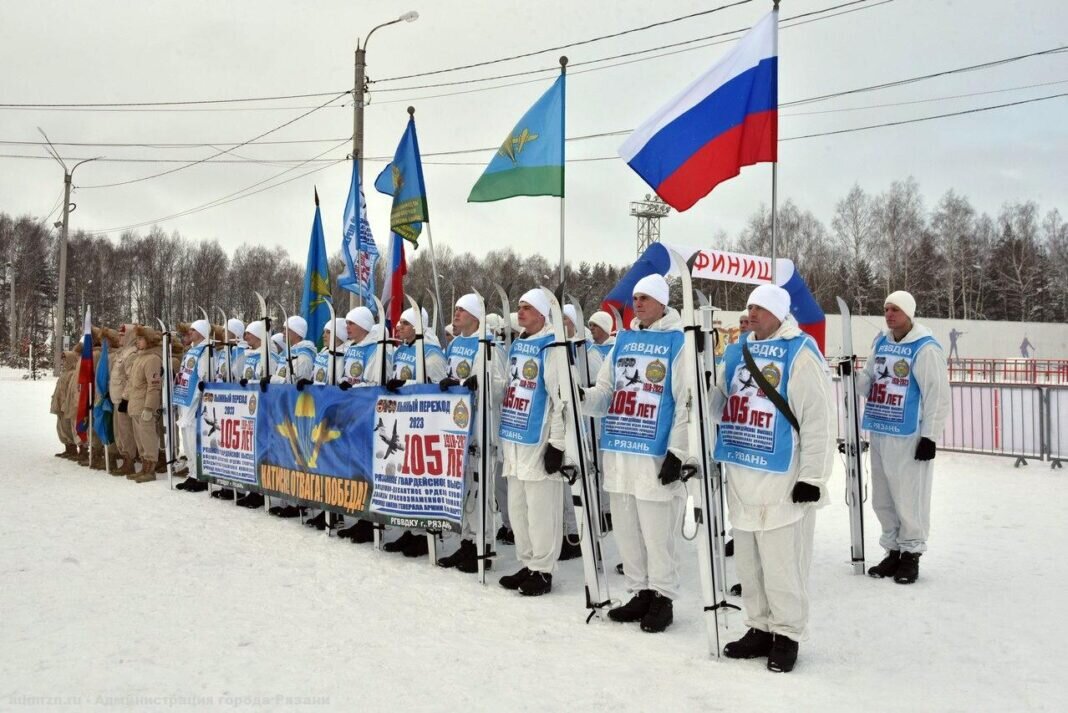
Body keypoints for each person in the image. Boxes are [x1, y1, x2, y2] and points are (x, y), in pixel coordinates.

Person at [713, 284, 834, 673]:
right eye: (750, 308)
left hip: (784, 476)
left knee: (783, 563)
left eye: (761, 309)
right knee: (749, 561)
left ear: (780, 313)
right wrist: (698, 389)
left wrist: (813, 476)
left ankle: (787, 634)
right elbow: (719, 403)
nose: (753, 315)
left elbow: (818, 417)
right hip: (743, 471)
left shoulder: (799, 352)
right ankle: (759, 626)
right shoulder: (736, 352)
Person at [581, 275, 687, 633]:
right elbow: (606, 389)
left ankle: (663, 596)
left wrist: (679, 451)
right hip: (619, 447)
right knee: (627, 528)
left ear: (662, 303)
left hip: (654, 451)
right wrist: (583, 398)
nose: (637, 303)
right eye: (635, 298)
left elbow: (685, 401)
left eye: (645, 298)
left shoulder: (678, 341)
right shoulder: (623, 339)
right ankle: (639, 589)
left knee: (657, 531)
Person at [857, 291, 950, 585]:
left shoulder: (925, 348)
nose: (889, 314)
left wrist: (930, 436)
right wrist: (852, 373)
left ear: (909, 313)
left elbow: (937, 394)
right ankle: (893, 550)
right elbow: (868, 382)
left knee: (909, 496)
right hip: (881, 429)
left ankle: (911, 554)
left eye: (895, 309)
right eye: (886, 309)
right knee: (883, 497)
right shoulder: (881, 343)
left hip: (909, 435)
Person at [495, 289, 568, 596]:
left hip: (538, 439)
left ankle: (543, 569)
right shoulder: (519, 344)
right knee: (519, 508)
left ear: (542, 314)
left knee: (541, 509)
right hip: (514, 437)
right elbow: (511, 387)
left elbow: (560, 399)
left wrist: (558, 443)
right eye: (520, 307)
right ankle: (527, 562)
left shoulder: (552, 346)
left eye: (527, 308)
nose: (521, 313)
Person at [436, 293, 507, 574]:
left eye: (461, 310)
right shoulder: (455, 344)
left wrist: (482, 382)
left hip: (481, 428)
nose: (456, 314)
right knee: (464, 490)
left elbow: (501, 386)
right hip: (458, 428)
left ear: (475, 316)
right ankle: (466, 542)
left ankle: (483, 546)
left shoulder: (489, 346)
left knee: (481, 491)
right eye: (455, 309)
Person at [381, 306, 448, 557]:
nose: (399, 327)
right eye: (399, 323)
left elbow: (436, 389)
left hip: (424, 425)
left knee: (421, 480)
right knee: (405, 479)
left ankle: (425, 534)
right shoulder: (402, 350)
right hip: (401, 422)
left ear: (419, 327)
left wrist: (406, 384)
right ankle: (410, 530)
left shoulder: (432, 353)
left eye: (405, 323)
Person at [335, 306, 392, 541]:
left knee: (369, 468)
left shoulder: (376, 348)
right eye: (347, 323)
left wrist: (355, 387)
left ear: (364, 326)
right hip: (353, 414)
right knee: (356, 467)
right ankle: (362, 517)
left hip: (370, 416)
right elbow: (347, 375)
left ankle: (372, 523)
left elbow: (377, 380)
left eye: (351, 323)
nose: (347, 327)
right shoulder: (353, 348)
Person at [172, 319, 212, 491]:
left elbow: (204, 375)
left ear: (202, 332)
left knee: (193, 437)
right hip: (184, 398)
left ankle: (200, 476)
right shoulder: (191, 350)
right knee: (186, 437)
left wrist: (200, 395)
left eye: (192, 331)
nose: (189, 333)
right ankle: (192, 472)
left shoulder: (205, 350)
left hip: (195, 399)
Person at [126, 325, 165, 483]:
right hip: (135, 405)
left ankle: (150, 469)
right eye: (137, 339)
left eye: (141, 339)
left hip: (144, 406)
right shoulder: (139, 358)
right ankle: (143, 466)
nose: (138, 342)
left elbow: (154, 385)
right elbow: (132, 383)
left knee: (148, 438)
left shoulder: (153, 359)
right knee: (140, 439)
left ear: (149, 341)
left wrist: (149, 407)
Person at [110, 324, 141, 476]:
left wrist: (125, 398)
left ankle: (129, 461)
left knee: (126, 432)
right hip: (116, 397)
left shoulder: (132, 354)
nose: (119, 337)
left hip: (124, 399)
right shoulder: (122, 353)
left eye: (122, 335)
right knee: (119, 431)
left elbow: (131, 379)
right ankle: (124, 458)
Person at [271, 316, 316, 385]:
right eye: (284, 329)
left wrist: (271, 379)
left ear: (298, 333)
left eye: (288, 330)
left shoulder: (303, 356)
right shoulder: (289, 352)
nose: (283, 332)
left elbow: (294, 385)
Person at [51, 349, 79, 459]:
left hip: (66, 406)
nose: (63, 362)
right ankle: (67, 447)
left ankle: (72, 449)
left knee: (67, 427)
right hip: (60, 404)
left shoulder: (72, 374)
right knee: (61, 427)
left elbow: (69, 391)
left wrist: (65, 404)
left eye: (65, 360)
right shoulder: (65, 373)